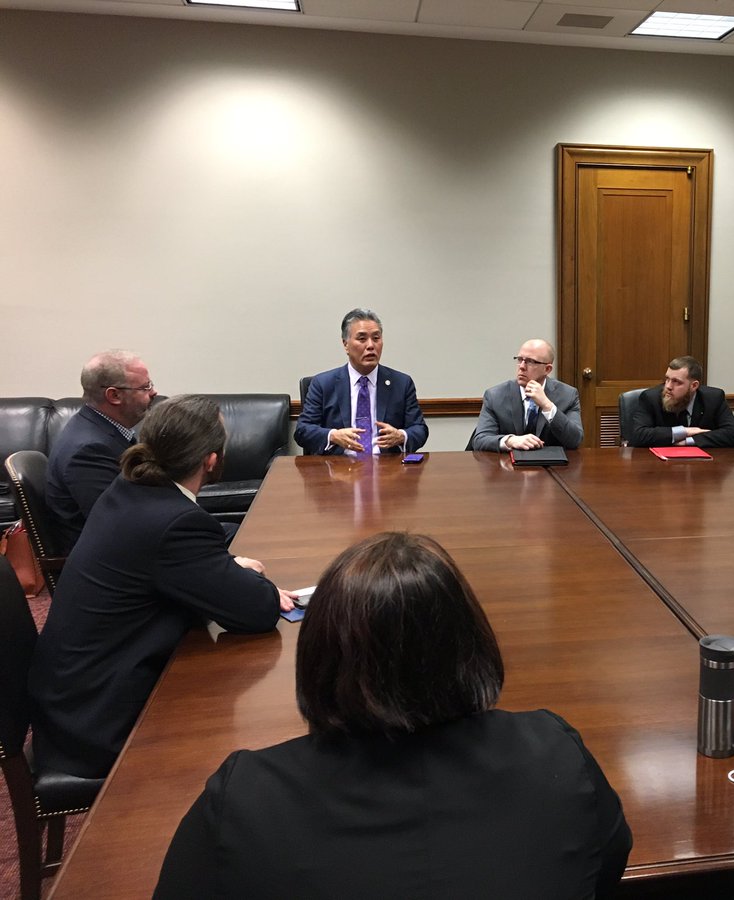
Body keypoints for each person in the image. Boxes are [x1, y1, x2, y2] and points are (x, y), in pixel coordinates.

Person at [154, 532, 632, 898]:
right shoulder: (556, 751)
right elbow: (605, 864)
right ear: (470, 645)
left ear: (321, 656)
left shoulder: (246, 795)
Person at [29, 395, 292, 779]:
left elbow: (166, 562)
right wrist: (245, 576)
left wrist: (223, 565)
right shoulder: (174, 522)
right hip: (103, 726)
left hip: (69, 702)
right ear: (212, 460)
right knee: (267, 728)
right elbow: (259, 610)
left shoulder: (128, 489)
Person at [46, 350, 157, 551]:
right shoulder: (89, 450)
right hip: (116, 567)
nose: (153, 392)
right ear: (114, 395)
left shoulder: (98, 430)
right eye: (145, 387)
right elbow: (119, 527)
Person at [295, 308, 428, 456]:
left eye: (376, 338)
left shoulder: (402, 383)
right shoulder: (323, 384)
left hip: (387, 468)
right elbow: (303, 430)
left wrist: (401, 436)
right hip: (338, 469)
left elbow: (420, 429)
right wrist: (333, 436)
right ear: (346, 344)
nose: (370, 345)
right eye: (362, 339)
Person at [472, 339, 583, 451]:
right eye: (520, 359)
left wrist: (547, 405)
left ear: (547, 369)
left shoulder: (568, 395)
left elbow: (574, 440)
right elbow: (480, 440)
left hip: (553, 465)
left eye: (530, 361)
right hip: (508, 465)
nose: (522, 366)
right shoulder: (495, 396)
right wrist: (510, 441)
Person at [627, 355, 734, 448]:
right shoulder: (650, 398)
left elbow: (732, 435)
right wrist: (684, 431)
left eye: (676, 382)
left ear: (694, 385)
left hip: (701, 469)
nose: (668, 386)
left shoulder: (714, 398)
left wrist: (689, 441)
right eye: (667, 379)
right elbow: (638, 435)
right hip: (658, 469)